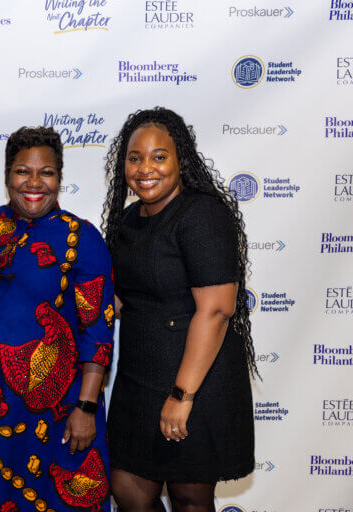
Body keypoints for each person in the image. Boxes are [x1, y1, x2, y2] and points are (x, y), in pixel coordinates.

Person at [0, 127, 115, 512]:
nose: (35, 182)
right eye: (23, 171)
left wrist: (85, 409)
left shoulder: (82, 237)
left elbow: (98, 332)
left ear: (60, 178)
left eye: (47, 172)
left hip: (57, 414)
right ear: (7, 176)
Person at [101, 107, 256, 511]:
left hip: (194, 380)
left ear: (180, 160)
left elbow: (217, 310)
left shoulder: (202, 214)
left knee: (190, 497)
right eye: (134, 158)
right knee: (129, 490)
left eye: (158, 156)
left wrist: (182, 395)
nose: (145, 168)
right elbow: (124, 297)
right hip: (139, 378)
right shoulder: (129, 220)